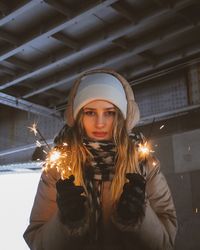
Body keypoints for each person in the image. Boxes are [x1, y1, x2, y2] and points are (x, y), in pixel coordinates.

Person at [24, 68, 177, 250]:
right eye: (90, 112)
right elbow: (36, 242)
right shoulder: (58, 168)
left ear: (120, 116)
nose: (100, 123)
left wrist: (137, 218)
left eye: (110, 112)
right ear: (79, 116)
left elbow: (166, 243)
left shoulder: (144, 164)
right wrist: (66, 222)